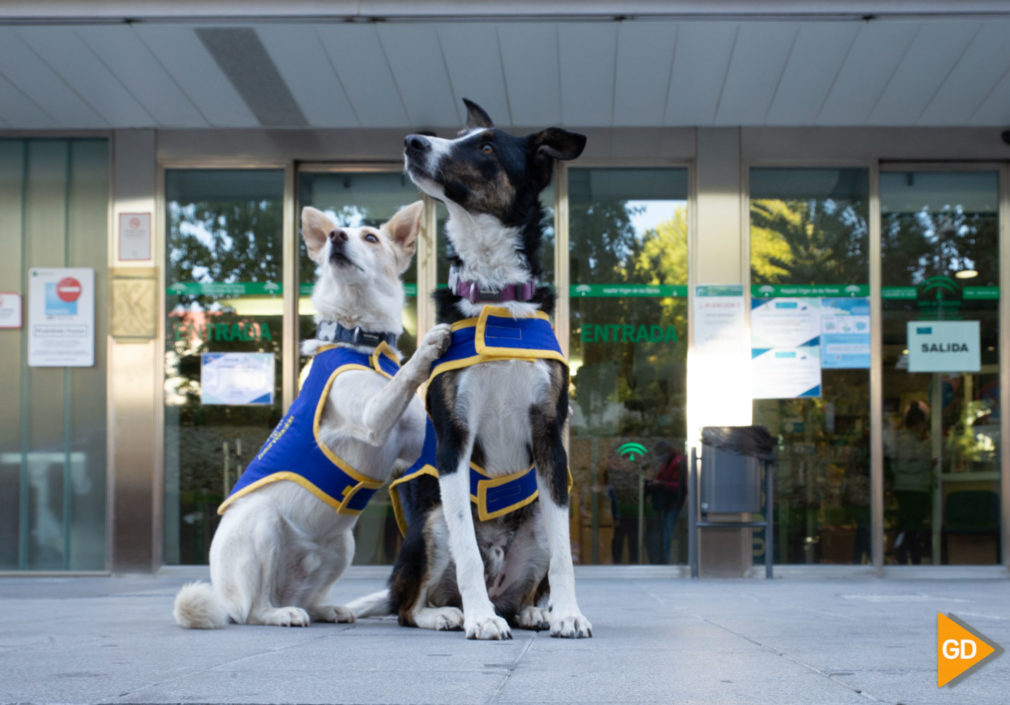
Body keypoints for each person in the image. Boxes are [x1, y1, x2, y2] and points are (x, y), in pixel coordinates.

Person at [888, 400, 933, 564]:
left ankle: (907, 556)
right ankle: (909, 557)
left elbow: (897, 464)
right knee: (911, 526)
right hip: (912, 488)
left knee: (909, 525)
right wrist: (925, 465)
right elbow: (904, 464)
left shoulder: (905, 440)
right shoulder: (908, 441)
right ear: (919, 423)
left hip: (907, 486)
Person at [648, 440, 687, 564]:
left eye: (660, 455)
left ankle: (670, 562)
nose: (659, 458)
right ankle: (667, 560)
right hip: (668, 503)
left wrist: (661, 484)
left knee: (669, 534)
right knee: (666, 533)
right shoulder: (668, 462)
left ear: (667, 452)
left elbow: (680, 485)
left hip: (675, 503)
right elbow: (661, 477)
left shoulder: (678, 462)